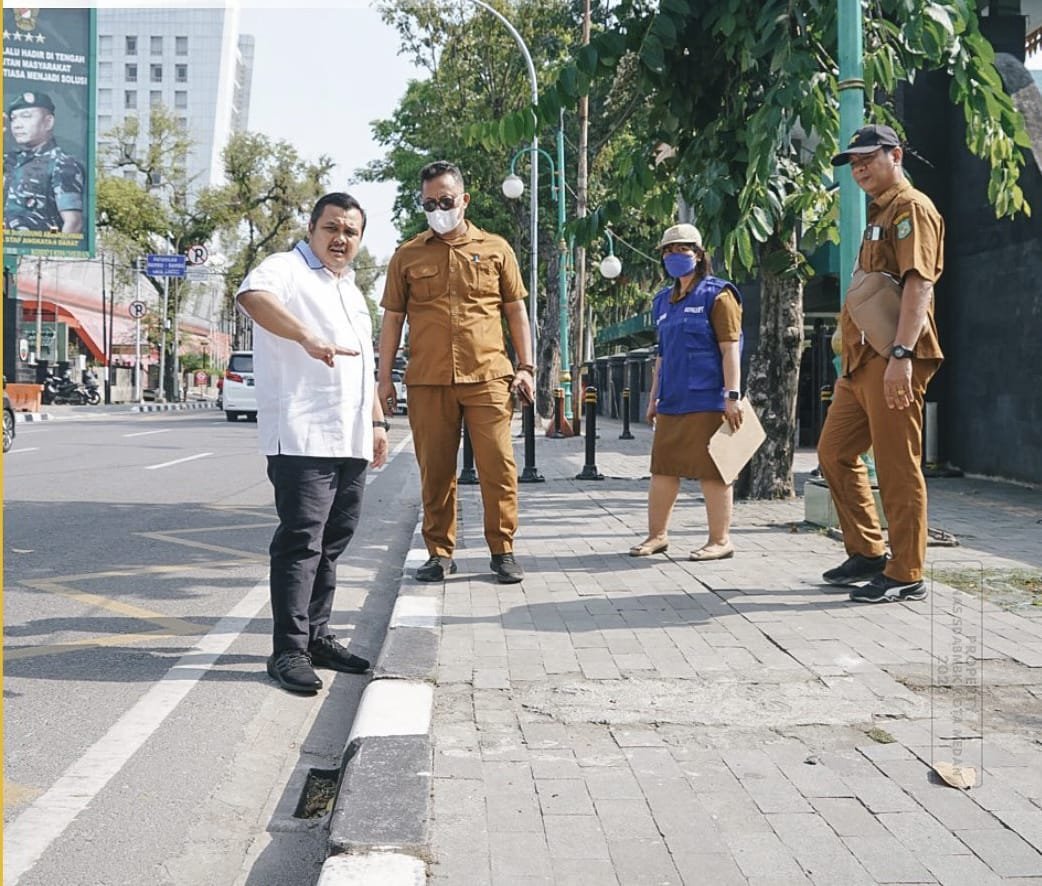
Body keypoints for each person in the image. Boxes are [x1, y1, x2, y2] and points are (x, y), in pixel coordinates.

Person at [236, 192, 388, 693]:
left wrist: (378, 423)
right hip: (302, 434)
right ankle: (288, 650)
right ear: (311, 227)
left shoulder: (352, 289)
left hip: (351, 437)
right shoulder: (286, 268)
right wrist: (305, 335)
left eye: (351, 232)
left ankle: (318, 637)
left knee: (333, 542)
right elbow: (252, 297)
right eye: (332, 228)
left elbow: (363, 365)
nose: (341, 238)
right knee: (302, 542)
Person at [378, 160, 534, 585]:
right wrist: (384, 378)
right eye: (429, 203)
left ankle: (502, 551)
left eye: (445, 201)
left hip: (488, 377)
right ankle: (439, 553)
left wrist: (526, 367)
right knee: (435, 471)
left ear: (464, 200)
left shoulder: (497, 249)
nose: (438, 209)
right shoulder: (407, 255)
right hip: (428, 380)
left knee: (498, 468)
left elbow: (515, 311)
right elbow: (392, 319)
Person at [818, 124, 945, 603]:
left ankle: (906, 571)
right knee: (833, 453)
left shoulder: (912, 207)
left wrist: (902, 355)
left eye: (868, 159)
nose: (859, 169)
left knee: (896, 466)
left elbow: (919, 284)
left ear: (896, 155)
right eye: (854, 164)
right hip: (861, 358)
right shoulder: (879, 211)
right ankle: (867, 551)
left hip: (892, 356)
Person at [630, 223, 744, 561]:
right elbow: (662, 355)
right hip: (672, 399)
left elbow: (730, 349)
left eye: (682, 249)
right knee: (663, 468)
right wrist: (654, 397)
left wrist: (732, 396)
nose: (674, 255)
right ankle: (657, 536)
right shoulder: (662, 301)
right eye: (668, 250)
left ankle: (720, 540)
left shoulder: (719, 295)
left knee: (714, 470)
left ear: (698, 254)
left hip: (709, 397)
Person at [3, 91, 85, 233]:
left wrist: (59, 247)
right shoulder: (10, 161)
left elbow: (73, 223)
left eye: (26, 116)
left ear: (48, 122)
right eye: (13, 119)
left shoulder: (62, 164)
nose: (17, 125)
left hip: (37, 245)